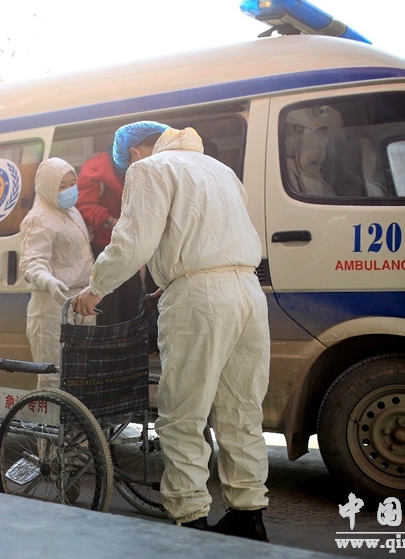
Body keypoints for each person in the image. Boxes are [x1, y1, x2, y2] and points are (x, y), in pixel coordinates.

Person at [73, 123, 270, 541]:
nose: (129, 168)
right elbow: (208, 233)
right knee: (241, 411)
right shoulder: (221, 170)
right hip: (248, 292)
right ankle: (248, 514)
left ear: (139, 150)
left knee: (183, 413)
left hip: (199, 299)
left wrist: (96, 288)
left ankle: (191, 518)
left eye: (128, 160)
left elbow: (132, 242)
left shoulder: (151, 170)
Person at [75, 122, 168, 326]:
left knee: (132, 297)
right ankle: (111, 350)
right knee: (107, 306)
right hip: (107, 243)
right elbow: (84, 203)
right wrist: (110, 222)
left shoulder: (159, 165)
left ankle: (133, 344)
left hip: (143, 241)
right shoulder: (97, 167)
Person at [20, 157, 94, 388]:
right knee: (53, 375)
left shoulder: (72, 212)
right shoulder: (38, 218)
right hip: (52, 307)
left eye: (72, 183)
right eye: (62, 186)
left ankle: (74, 424)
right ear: (47, 187)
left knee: (80, 372)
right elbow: (31, 262)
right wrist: (48, 281)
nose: (69, 190)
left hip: (81, 300)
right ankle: (52, 424)